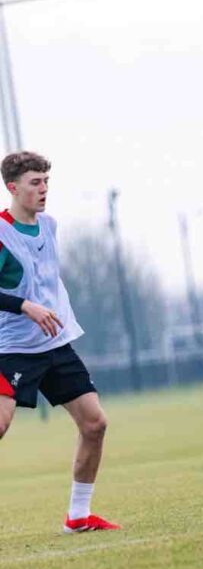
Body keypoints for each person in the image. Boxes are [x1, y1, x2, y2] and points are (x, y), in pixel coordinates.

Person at [0, 151, 120, 531]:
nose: (44, 189)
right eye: (35, 182)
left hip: (54, 344)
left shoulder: (49, 226)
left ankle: (78, 516)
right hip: (11, 349)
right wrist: (25, 306)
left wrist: (48, 311)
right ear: (13, 187)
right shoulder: (1, 233)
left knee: (95, 424)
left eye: (46, 182)